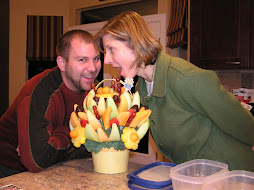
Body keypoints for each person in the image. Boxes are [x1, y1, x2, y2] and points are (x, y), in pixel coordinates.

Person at [94, 11, 254, 171]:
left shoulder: (185, 79)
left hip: (231, 174)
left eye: (111, 49)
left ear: (135, 44)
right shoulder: (142, 86)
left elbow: (242, 122)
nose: (106, 60)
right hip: (197, 176)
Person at [0, 30, 101, 178]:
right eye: (82, 60)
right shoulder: (40, 91)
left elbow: (103, 142)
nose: (92, 68)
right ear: (62, 63)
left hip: (57, 167)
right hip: (9, 169)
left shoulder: (96, 90)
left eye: (96, 58)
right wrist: (79, 133)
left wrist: (59, 134)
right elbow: (37, 159)